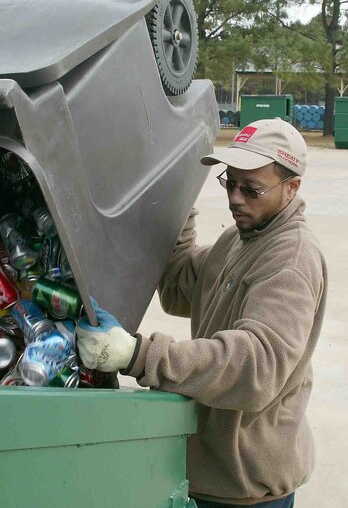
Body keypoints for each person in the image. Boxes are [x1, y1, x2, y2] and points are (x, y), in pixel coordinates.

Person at [76, 118, 327, 507]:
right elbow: (180, 288)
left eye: (252, 189)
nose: (235, 199)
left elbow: (255, 366)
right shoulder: (241, 238)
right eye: (230, 182)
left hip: (244, 488)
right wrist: (177, 209)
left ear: (292, 187)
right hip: (210, 472)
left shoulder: (289, 260)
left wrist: (138, 355)